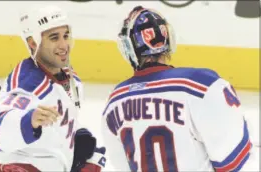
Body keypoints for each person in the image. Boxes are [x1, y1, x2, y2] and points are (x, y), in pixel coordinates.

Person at [101, 6, 258, 171]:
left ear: (128, 47)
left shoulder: (114, 101)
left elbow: (121, 165)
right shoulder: (202, 85)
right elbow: (234, 163)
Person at [0, 5, 106, 172]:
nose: (64, 45)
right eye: (54, 38)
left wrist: (77, 133)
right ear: (33, 42)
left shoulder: (70, 78)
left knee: (94, 161)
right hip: (3, 166)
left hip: (45, 160)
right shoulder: (28, 84)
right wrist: (29, 121)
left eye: (66, 36)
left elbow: (61, 116)